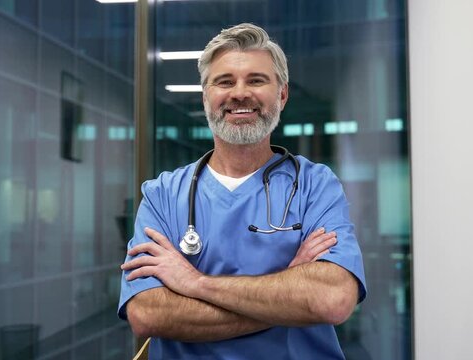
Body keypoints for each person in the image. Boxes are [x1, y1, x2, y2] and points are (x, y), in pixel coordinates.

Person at [118, 23, 367, 359]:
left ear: (282, 94)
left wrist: (195, 284)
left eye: (256, 80)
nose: (239, 93)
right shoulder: (162, 195)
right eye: (224, 81)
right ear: (205, 96)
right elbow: (148, 313)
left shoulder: (314, 186)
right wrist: (288, 289)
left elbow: (332, 299)